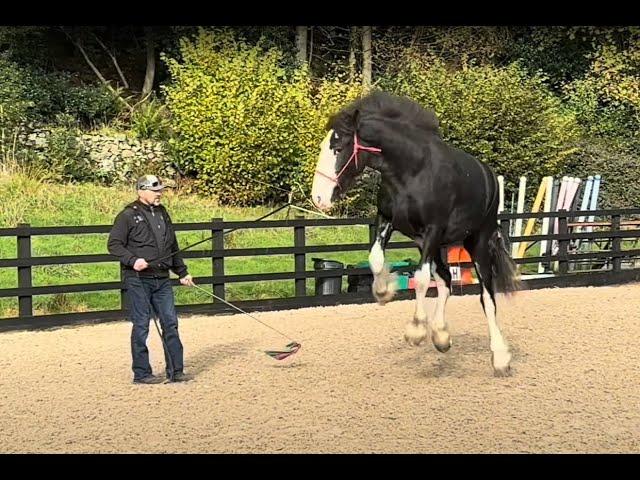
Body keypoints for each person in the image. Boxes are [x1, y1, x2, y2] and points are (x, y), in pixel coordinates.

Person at [108, 174, 195, 384]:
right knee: (141, 325)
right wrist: (132, 260)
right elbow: (114, 244)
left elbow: (172, 245)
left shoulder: (163, 213)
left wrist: (182, 272)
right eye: (155, 191)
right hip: (139, 278)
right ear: (141, 191)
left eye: (160, 191)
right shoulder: (127, 215)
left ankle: (176, 370)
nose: (159, 194)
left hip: (162, 278)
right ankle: (142, 373)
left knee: (170, 323)